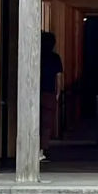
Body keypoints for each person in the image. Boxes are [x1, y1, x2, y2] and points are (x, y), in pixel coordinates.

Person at [39, 31, 62, 162]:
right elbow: (58, 77)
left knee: (35, 121)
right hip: (49, 93)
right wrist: (58, 92)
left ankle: (32, 149)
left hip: (36, 93)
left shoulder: (36, 55)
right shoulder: (55, 58)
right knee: (46, 123)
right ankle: (41, 150)